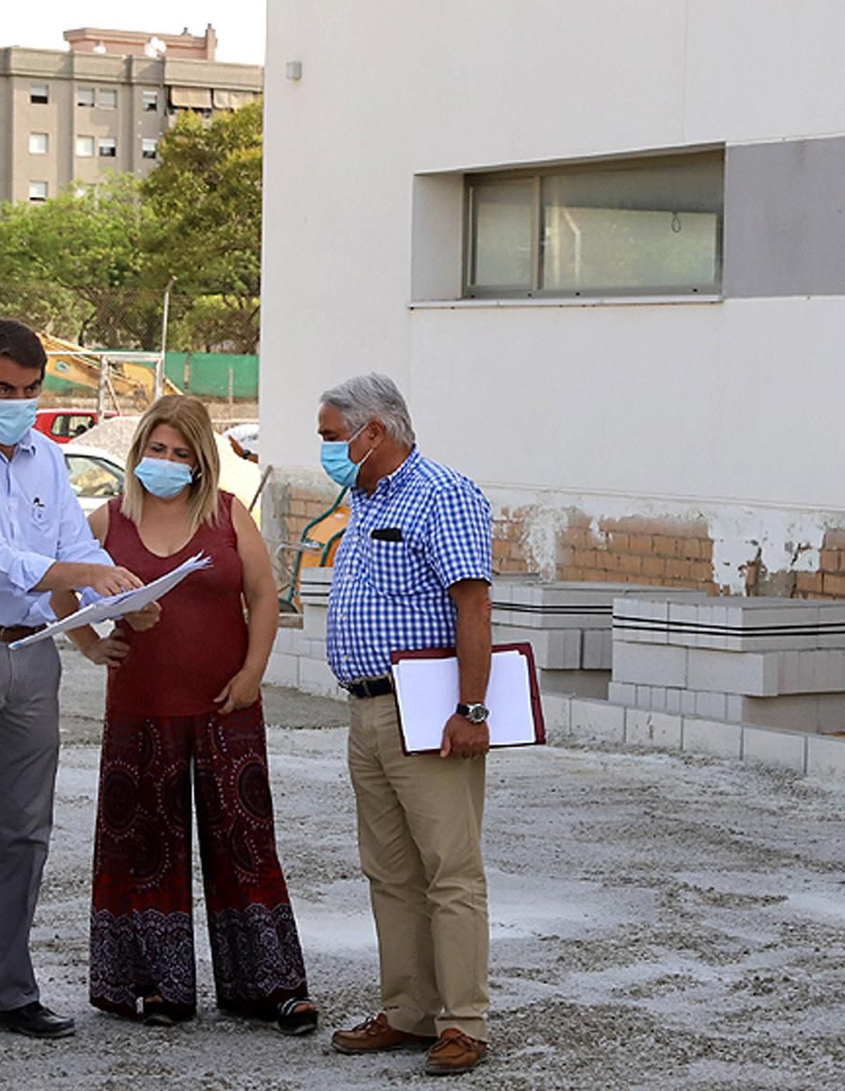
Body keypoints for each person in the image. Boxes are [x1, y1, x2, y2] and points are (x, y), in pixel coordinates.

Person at [0, 318, 151, 1051]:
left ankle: (13, 992)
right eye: (3, 389)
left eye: (30, 389)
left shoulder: (48, 456)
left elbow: (74, 548)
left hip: (35, 657)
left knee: (26, 834)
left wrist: (117, 605)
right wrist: (90, 575)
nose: (18, 401)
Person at [85, 395, 317, 1034]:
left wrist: (252, 672)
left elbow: (264, 595)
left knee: (245, 843)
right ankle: (156, 986)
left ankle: (270, 984)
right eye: (157, 450)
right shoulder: (109, 521)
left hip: (226, 706)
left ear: (202, 461)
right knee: (146, 847)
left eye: (181, 453)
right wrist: (88, 642)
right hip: (139, 708)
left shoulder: (227, 515)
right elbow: (58, 584)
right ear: (138, 455)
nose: (166, 461)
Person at [317, 373, 495, 1077]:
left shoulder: (443, 494)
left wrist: (471, 708)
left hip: (423, 705)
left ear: (374, 433)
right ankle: (409, 1010)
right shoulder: (363, 498)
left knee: (450, 869)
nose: (327, 449)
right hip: (364, 708)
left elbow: (472, 605)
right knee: (390, 871)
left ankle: (463, 1020)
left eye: (333, 436)